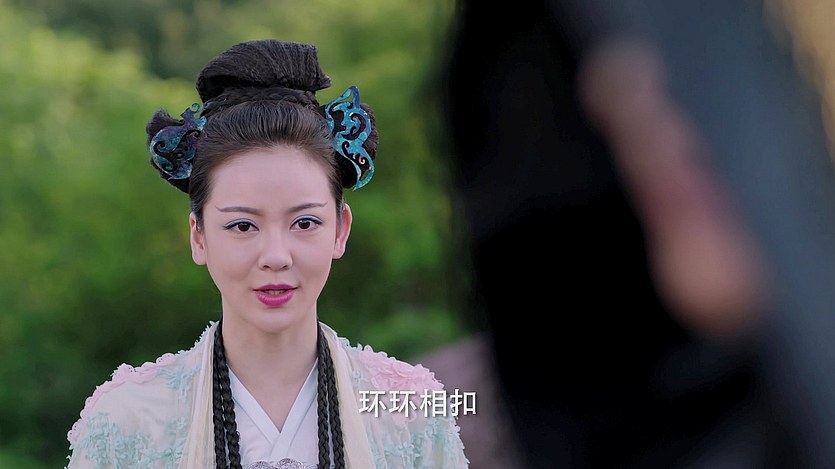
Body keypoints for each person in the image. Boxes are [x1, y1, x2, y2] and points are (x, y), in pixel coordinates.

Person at [64, 39, 470, 469]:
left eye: (304, 223)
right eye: (243, 226)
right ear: (198, 236)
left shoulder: (411, 411)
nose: (276, 256)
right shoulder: (127, 420)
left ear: (340, 230)